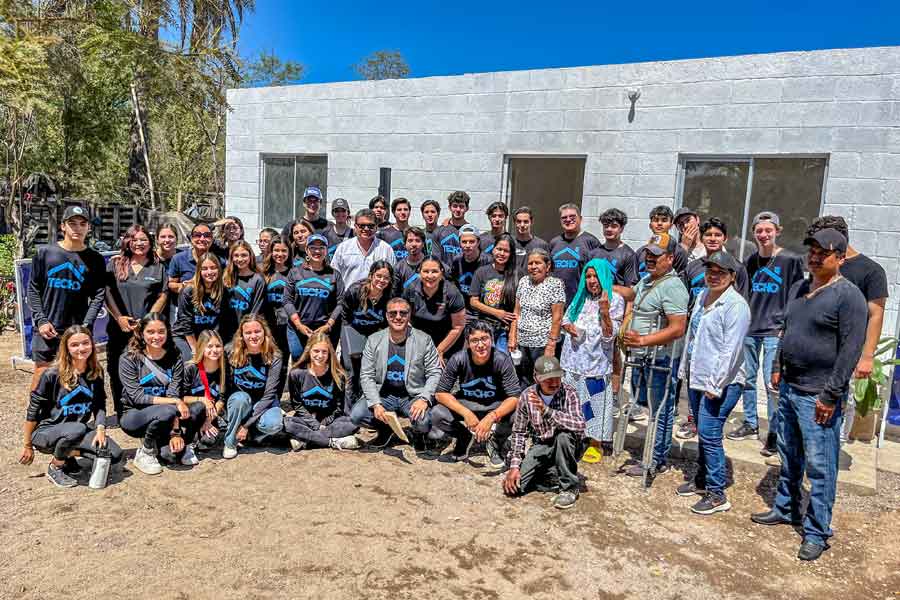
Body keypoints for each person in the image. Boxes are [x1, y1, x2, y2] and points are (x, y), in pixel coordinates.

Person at [751, 228, 867, 562]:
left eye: (823, 253)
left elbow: (849, 351)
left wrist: (830, 396)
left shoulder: (849, 297)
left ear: (840, 258)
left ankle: (817, 531)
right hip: (789, 388)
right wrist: (777, 363)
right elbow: (785, 329)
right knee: (789, 455)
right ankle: (785, 508)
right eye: (812, 251)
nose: (814, 257)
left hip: (818, 395)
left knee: (820, 467)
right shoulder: (802, 287)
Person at [676, 252, 751, 515]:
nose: (714, 276)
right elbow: (692, 337)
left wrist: (715, 384)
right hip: (698, 376)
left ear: (732, 276)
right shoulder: (701, 297)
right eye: (711, 270)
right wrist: (684, 368)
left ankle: (717, 493)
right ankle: (701, 480)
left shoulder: (736, 305)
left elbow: (729, 350)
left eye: (721, 272)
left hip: (722, 382)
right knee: (702, 431)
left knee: (709, 433)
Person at [806, 215, 888, 444]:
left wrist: (867, 357)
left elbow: (876, 314)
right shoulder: (821, 265)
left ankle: (831, 458)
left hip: (847, 355)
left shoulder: (871, 271)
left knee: (840, 408)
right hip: (817, 352)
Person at [730, 212, 804, 453]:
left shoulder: (790, 260)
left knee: (772, 383)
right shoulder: (750, 261)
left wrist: (789, 326)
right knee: (748, 380)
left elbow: (798, 295)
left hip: (775, 330)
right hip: (751, 328)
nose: (763, 235)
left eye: (768, 230)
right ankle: (750, 423)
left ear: (777, 231)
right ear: (754, 233)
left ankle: (774, 432)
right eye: (759, 231)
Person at [19, 326, 123, 488]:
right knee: (77, 429)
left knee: (114, 454)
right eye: (74, 345)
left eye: (85, 343)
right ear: (66, 348)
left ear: (92, 345)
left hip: (76, 430)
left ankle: (67, 455)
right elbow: (33, 411)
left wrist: (101, 429)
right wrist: (27, 445)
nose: (81, 348)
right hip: (47, 431)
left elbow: (99, 405)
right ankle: (56, 466)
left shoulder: (96, 371)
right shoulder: (51, 374)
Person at [621, 233, 689, 478]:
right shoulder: (649, 280)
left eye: (656, 255)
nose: (650, 259)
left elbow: (677, 328)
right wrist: (608, 285)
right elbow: (633, 294)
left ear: (670, 259)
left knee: (660, 409)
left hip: (661, 358)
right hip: (643, 356)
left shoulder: (673, 287)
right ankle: (651, 454)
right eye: (648, 254)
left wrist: (643, 340)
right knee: (648, 405)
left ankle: (655, 459)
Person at [27, 206, 106, 390]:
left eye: (82, 224)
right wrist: (41, 321)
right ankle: (35, 419)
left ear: (88, 228)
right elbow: (33, 289)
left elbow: (98, 296)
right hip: (48, 328)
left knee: (77, 375)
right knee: (42, 374)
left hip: (76, 330)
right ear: (63, 226)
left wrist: (86, 326)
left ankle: (71, 417)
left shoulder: (95, 259)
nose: (77, 228)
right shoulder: (45, 253)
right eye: (72, 223)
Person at [119, 313, 205, 474]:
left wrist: (176, 432)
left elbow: (173, 393)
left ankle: (185, 444)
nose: (156, 336)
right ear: (141, 333)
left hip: (166, 414)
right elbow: (137, 397)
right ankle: (145, 452)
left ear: (167, 332)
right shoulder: (129, 358)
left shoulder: (175, 355)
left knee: (198, 407)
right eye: (150, 332)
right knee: (169, 409)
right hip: (134, 415)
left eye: (161, 331)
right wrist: (175, 403)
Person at [350, 298, 441, 447]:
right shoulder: (374, 340)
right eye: (393, 313)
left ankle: (418, 434)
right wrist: (376, 403)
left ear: (409, 315)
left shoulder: (424, 340)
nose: (398, 317)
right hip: (384, 395)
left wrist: (424, 399)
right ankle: (386, 429)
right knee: (357, 415)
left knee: (424, 422)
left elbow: (435, 372)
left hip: (411, 396)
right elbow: (366, 375)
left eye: (403, 313)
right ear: (386, 316)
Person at [433, 321, 522, 466]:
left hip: (494, 405)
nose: (480, 345)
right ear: (468, 343)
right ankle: (464, 437)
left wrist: (492, 417)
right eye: (474, 340)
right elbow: (440, 393)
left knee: (518, 415)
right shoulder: (458, 359)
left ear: (491, 340)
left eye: (484, 339)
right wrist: (466, 413)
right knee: (437, 413)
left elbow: (515, 397)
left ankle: (495, 441)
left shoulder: (502, 360)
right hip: (467, 403)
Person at [560, 259, 624, 460]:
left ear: (604, 277)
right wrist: (568, 327)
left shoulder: (615, 300)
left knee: (595, 403)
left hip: (596, 362)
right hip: (573, 360)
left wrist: (604, 311)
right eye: (588, 276)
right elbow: (566, 318)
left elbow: (610, 336)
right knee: (574, 400)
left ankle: (596, 442)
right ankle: (576, 435)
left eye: (595, 276)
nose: (591, 280)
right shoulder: (581, 298)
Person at [503, 356, 586, 509]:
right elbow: (519, 432)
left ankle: (569, 488)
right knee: (516, 488)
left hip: (569, 444)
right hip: (542, 444)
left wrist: (547, 411)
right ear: (536, 378)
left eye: (557, 378)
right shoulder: (527, 396)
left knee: (563, 436)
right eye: (548, 380)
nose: (554, 383)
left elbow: (580, 425)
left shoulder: (570, 393)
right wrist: (514, 467)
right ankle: (550, 474)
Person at [105, 224, 168, 419]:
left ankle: (144, 405)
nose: (139, 244)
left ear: (150, 243)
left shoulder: (157, 267)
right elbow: (106, 293)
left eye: (144, 240)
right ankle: (121, 409)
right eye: (135, 239)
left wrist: (147, 322)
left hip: (147, 331)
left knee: (145, 368)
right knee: (116, 367)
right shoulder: (115, 264)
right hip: (119, 329)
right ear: (127, 241)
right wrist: (119, 318)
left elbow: (163, 295)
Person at [222, 314, 284, 459]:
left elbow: (269, 395)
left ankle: (251, 434)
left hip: (264, 402)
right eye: (248, 332)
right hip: (241, 402)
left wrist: (246, 426)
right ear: (241, 335)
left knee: (274, 425)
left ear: (265, 332)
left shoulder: (275, 356)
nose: (253, 336)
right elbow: (226, 385)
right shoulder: (230, 352)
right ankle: (230, 442)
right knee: (239, 399)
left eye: (257, 331)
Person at [284, 331, 360, 451]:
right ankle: (332, 441)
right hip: (306, 419)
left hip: (330, 421)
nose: (320, 355)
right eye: (316, 351)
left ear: (329, 353)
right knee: (287, 423)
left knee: (352, 424)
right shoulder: (296, 374)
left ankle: (306, 440)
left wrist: (323, 424)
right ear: (309, 351)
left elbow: (339, 408)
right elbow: (297, 405)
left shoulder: (338, 375)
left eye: (324, 352)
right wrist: (316, 426)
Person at [283, 234, 344, 361]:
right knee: (299, 360)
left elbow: (340, 303)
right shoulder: (295, 272)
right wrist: (299, 325)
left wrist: (328, 325)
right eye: (313, 247)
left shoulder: (334, 275)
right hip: (298, 327)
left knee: (322, 362)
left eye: (321, 247)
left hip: (324, 329)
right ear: (306, 250)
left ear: (326, 250)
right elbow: (287, 300)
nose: (317, 251)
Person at [509, 248, 566, 383]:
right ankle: (526, 404)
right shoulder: (523, 282)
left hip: (543, 345)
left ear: (548, 266)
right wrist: (512, 336)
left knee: (544, 381)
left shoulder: (555, 285)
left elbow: (557, 318)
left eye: (538, 263)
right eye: (530, 263)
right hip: (523, 343)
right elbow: (516, 312)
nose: (533, 267)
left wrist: (551, 346)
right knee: (523, 380)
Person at [339, 261, 394, 399]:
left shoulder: (390, 295)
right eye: (378, 276)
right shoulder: (355, 290)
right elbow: (345, 315)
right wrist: (350, 339)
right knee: (351, 367)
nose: (382, 280)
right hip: (352, 328)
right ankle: (348, 403)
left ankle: (367, 399)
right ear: (371, 275)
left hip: (374, 331)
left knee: (369, 367)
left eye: (386, 278)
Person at [402, 257, 466, 365]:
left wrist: (439, 351)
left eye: (434, 271)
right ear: (419, 272)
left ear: (441, 273)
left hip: (447, 344)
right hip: (419, 341)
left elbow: (458, 327)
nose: (430, 276)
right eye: (426, 271)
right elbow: (404, 319)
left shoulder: (452, 293)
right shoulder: (411, 289)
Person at [469, 234, 519, 353]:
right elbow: (473, 302)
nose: (501, 253)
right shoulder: (481, 272)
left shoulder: (518, 274)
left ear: (511, 253)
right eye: (499, 249)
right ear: (493, 249)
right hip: (484, 329)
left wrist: (513, 335)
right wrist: (497, 313)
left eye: (506, 251)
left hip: (505, 331)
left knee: (502, 363)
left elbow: (518, 309)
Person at [681, 218, 749, 305]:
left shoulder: (737, 268)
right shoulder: (691, 267)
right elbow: (683, 302)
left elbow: (743, 301)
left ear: (725, 239)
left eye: (717, 235)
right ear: (701, 239)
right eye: (708, 235)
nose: (713, 239)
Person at [172, 253, 224, 361]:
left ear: (219, 270)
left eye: (213, 268)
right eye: (205, 268)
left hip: (207, 337)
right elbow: (185, 323)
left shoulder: (223, 291)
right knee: (190, 362)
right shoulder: (188, 290)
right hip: (185, 336)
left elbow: (221, 322)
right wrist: (195, 349)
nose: (209, 272)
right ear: (199, 271)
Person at [549, 204, 601, 305]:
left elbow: (598, 274)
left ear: (580, 219)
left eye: (572, 217)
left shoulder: (591, 242)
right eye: (564, 217)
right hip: (555, 302)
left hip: (581, 301)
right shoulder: (554, 242)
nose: (568, 220)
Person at [182, 330, 226, 447]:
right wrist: (202, 400)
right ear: (202, 347)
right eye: (209, 346)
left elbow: (221, 400)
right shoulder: (190, 368)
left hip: (210, 415)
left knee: (207, 442)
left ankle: (197, 435)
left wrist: (208, 421)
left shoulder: (224, 370)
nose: (214, 350)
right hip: (191, 414)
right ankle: (187, 440)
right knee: (199, 407)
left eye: (218, 346)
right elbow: (181, 397)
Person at [331, 208, 396, 287]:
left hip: (378, 298)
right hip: (348, 298)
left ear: (376, 227)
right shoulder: (343, 248)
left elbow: (393, 278)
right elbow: (334, 277)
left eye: (370, 226)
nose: (366, 229)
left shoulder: (386, 249)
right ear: (355, 227)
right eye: (362, 226)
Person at [220, 241, 265, 344]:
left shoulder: (258, 279)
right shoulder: (226, 277)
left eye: (244, 255)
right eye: (236, 255)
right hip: (226, 331)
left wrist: (246, 330)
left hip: (246, 331)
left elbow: (256, 309)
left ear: (250, 256)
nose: (240, 259)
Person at [633, 206, 689, 281]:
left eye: (664, 220)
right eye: (656, 220)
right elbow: (634, 281)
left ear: (671, 225)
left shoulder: (678, 251)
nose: (659, 223)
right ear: (650, 225)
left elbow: (679, 280)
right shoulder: (640, 251)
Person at [450, 224, 492, 320]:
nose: (467, 245)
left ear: (478, 242)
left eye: (471, 242)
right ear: (459, 243)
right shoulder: (457, 260)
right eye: (464, 242)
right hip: (463, 312)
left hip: (483, 313)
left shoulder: (488, 261)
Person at [260, 238, 293, 361]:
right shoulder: (263, 272)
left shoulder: (294, 273)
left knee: (283, 359)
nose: (280, 254)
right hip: (267, 324)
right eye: (276, 250)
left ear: (289, 252)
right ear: (271, 251)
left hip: (287, 325)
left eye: (284, 251)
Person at [168, 222, 219, 298]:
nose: (202, 239)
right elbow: (171, 284)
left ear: (212, 239)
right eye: (197, 235)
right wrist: (185, 286)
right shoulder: (178, 258)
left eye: (207, 236)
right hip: (187, 305)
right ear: (191, 239)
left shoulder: (218, 260)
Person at [591, 208, 637, 289]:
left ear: (621, 229)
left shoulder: (629, 255)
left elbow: (630, 288)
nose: (609, 229)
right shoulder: (593, 253)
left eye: (614, 226)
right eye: (606, 226)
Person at [433, 190, 472, 260]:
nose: (458, 209)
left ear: (467, 208)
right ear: (449, 207)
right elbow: (436, 259)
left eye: (461, 206)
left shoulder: (471, 232)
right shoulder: (439, 231)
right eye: (455, 206)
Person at [511, 206, 550, 272]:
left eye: (526, 221)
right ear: (515, 223)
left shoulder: (541, 245)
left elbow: (548, 269)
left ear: (531, 222)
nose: (522, 225)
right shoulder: (509, 244)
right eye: (519, 221)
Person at [393, 227, 429, 292]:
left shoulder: (432, 264)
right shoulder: (398, 268)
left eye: (417, 241)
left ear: (423, 244)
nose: (414, 244)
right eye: (410, 241)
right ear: (404, 244)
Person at [377, 197, 412, 262]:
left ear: (409, 212)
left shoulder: (416, 233)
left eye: (405, 209)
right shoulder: (383, 234)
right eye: (399, 210)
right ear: (393, 212)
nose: (403, 212)